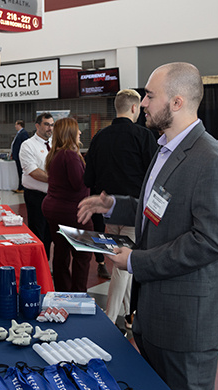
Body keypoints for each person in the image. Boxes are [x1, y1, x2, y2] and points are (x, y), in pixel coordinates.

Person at [77, 62, 218, 390]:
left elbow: (212, 240)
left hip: (189, 322)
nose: (143, 103)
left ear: (177, 101)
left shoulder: (211, 161)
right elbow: (156, 209)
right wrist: (113, 204)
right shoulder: (166, 149)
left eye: (150, 95)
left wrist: (134, 261)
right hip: (157, 313)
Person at [84, 89, 157, 325]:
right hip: (135, 213)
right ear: (135, 108)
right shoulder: (144, 136)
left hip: (106, 212)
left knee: (119, 265)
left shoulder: (99, 137)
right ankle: (111, 318)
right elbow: (155, 176)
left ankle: (128, 315)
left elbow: (88, 178)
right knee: (122, 266)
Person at [42, 117, 93, 291]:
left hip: (54, 209)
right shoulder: (70, 156)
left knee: (61, 254)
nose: (80, 132)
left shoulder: (55, 154)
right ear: (70, 133)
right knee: (83, 256)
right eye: (77, 129)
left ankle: (63, 292)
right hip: (73, 212)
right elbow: (78, 183)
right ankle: (79, 295)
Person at [19, 112, 53, 259]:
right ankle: (38, 265)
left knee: (50, 234)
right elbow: (34, 172)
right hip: (36, 197)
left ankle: (46, 262)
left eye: (52, 125)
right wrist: (57, 180)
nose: (49, 128)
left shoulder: (55, 144)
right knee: (38, 232)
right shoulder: (28, 145)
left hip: (53, 196)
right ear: (37, 125)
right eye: (46, 124)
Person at [11, 119, 29, 193]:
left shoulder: (23, 133)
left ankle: (22, 188)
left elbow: (25, 145)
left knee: (21, 172)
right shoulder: (19, 133)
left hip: (20, 156)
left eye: (16, 124)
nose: (15, 126)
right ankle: (20, 187)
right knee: (19, 172)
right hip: (17, 156)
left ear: (19, 125)